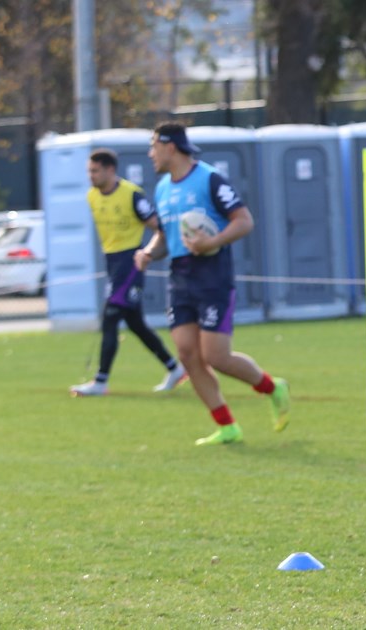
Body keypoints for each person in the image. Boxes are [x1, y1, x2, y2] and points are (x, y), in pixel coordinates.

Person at [135, 122, 291, 445]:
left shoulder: (209, 179)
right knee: (188, 354)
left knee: (216, 357)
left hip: (212, 275)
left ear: (170, 146)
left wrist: (212, 242)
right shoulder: (162, 188)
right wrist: (148, 252)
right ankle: (227, 426)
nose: (150, 154)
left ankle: (272, 387)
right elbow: (164, 236)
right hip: (180, 277)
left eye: (153, 146)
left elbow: (244, 221)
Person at [69, 148, 188, 397]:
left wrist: (148, 253)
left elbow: (158, 226)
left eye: (95, 171)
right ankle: (174, 368)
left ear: (110, 170)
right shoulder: (92, 196)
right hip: (112, 263)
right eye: (89, 171)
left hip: (130, 263)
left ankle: (100, 382)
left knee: (110, 317)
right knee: (136, 324)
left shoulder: (132, 195)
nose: (91, 176)